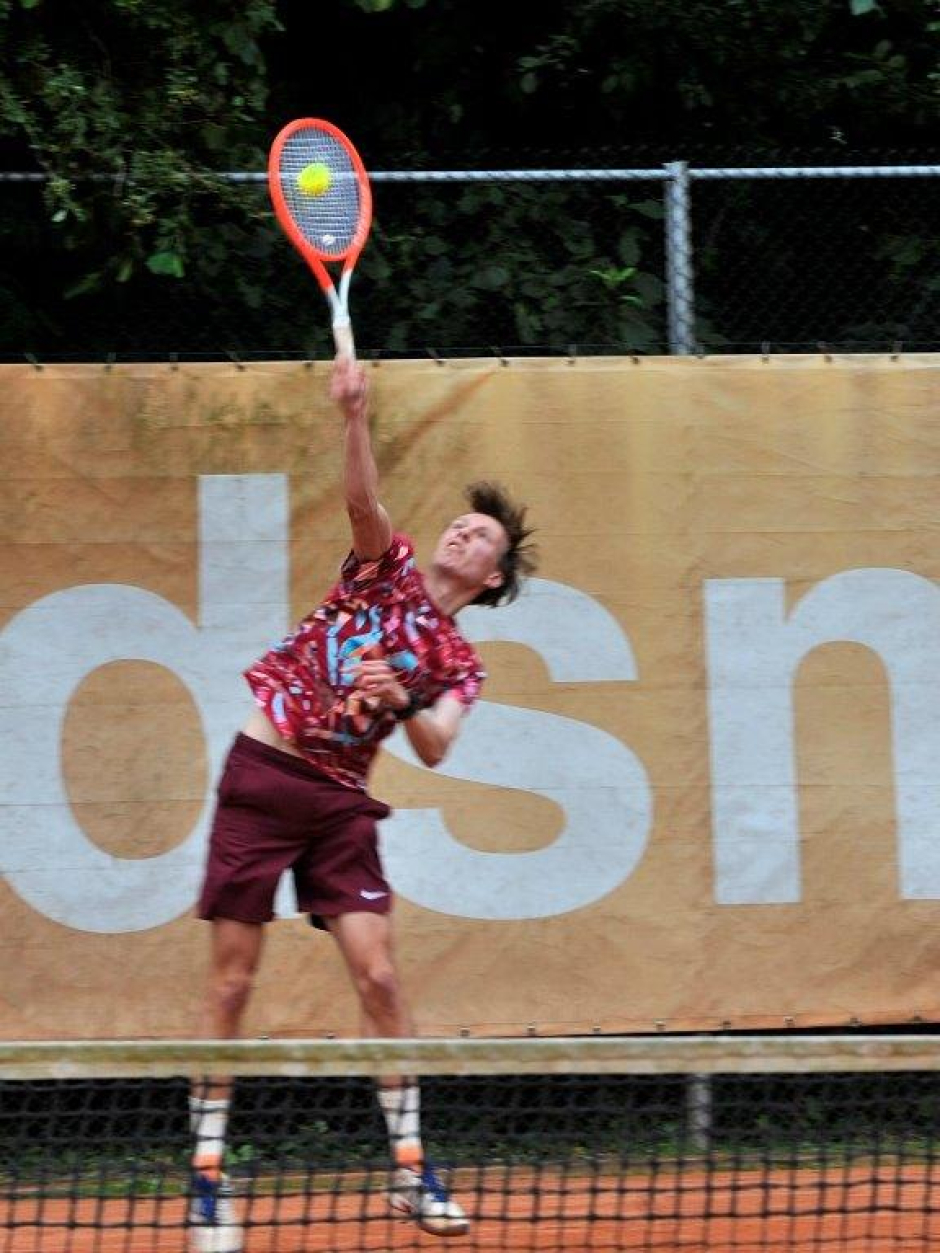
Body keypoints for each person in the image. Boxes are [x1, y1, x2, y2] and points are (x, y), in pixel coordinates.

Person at [188, 355, 537, 1253]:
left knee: (379, 977)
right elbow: (360, 502)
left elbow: (436, 744)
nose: (462, 532)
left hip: (342, 804)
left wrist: (404, 696)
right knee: (231, 983)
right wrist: (354, 416)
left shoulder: (461, 663)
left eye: (480, 536)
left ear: (493, 578)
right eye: (460, 523)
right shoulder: (389, 568)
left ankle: (413, 1169)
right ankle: (208, 1178)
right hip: (264, 777)